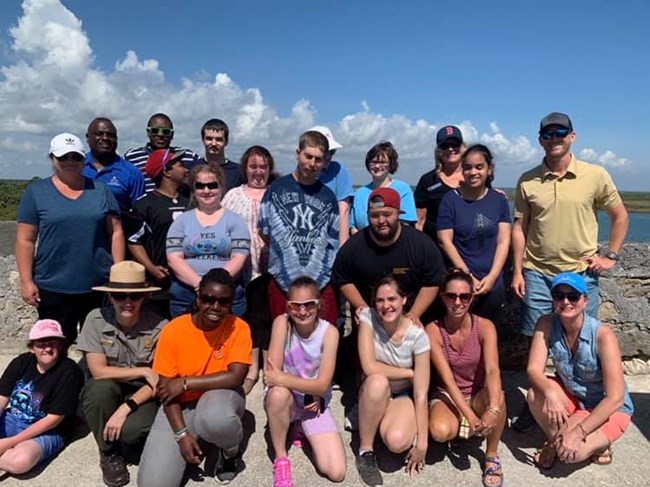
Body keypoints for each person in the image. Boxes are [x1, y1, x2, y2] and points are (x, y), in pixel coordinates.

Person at [510, 112, 629, 431]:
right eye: (548, 133)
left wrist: (612, 256)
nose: (554, 138)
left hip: (580, 273)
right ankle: (538, 397)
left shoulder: (595, 175)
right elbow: (520, 228)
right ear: (540, 139)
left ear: (572, 136)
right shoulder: (528, 179)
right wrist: (518, 270)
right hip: (538, 272)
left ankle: (591, 406)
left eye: (561, 132)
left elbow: (619, 215)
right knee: (537, 341)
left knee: (584, 343)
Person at [137, 269, 252, 487]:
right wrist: (182, 435)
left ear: (231, 303)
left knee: (216, 419)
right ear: (198, 298)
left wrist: (185, 382)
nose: (215, 307)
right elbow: (166, 391)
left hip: (220, 395)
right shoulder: (173, 330)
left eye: (223, 301)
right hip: (181, 404)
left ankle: (230, 452)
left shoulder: (239, 327)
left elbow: (236, 376)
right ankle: (193, 437)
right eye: (208, 299)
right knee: (153, 484)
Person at [16, 133, 124, 343]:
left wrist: (118, 272)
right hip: (53, 286)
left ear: (84, 159)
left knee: (99, 345)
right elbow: (25, 240)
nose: (70, 162)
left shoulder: (101, 191)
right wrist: (26, 281)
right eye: (63, 157)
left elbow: (116, 232)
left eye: (76, 157)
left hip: (97, 285)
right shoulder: (36, 193)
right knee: (54, 346)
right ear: (52, 159)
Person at [526, 272, 633, 470]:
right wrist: (550, 392)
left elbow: (615, 398)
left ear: (585, 300)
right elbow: (533, 369)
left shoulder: (603, 336)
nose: (565, 301)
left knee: (572, 454)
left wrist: (578, 432)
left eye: (573, 297)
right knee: (535, 394)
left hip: (608, 408)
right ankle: (557, 440)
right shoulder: (546, 324)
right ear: (553, 299)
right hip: (574, 398)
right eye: (559, 295)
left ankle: (589, 442)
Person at [77, 261, 167, 487]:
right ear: (111, 297)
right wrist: (143, 370)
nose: (127, 302)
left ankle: (124, 438)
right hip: (109, 386)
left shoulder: (161, 326)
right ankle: (108, 453)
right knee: (98, 391)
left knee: (132, 432)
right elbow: (98, 371)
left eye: (134, 296)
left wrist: (126, 409)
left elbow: (157, 380)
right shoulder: (95, 320)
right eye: (120, 296)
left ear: (144, 297)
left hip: (143, 393)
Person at [427, 269, 506, 487]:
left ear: (472, 298)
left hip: (478, 391)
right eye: (451, 296)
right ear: (443, 297)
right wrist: (470, 415)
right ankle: (463, 429)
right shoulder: (433, 330)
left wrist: (493, 409)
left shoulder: (485, 327)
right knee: (440, 432)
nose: (458, 302)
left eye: (464, 296)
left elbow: (492, 370)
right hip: (448, 394)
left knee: (498, 397)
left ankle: (491, 455)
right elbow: (447, 380)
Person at [263, 276, 346, 486]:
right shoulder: (281, 323)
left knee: (336, 472)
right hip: (287, 399)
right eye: (295, 305)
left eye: (309, 304)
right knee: (278, 394)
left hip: (313, 403)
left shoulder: (330, 333)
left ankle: (300, 426)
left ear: (319, 305)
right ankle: (281, 458)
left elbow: (322, 384)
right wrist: (308, 386)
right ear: (288, 306)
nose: (302, 311)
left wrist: (285, 379)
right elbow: (271, 378)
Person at [332, 187, 444, 328]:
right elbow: (342, 278)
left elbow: (433, 281)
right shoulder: (353, 247)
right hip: (371, 320)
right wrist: (362, 306)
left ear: (398, 214)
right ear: (367, 215)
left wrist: (415, 313)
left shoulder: (422, 245)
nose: (381, 220)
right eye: (374, 215)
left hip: (412, 319)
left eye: (387, 214)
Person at [259, 130, 340, 325]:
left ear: (325, 161)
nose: (312, 164)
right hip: (282, 279)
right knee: (282, 339)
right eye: (308, 156)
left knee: (322, 342)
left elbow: (333, 239)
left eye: (318, 159)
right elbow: (264, 230)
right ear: (298, 153)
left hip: (319, 282)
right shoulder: (277, 189)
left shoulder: (328, 196)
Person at [355, 277, 430, 486]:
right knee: (377, 381)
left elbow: (421, 393)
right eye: (380, 300)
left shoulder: (418, 336)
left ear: (404, 300)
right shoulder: (367, 318)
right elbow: (369, 366)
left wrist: (422, 444)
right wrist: (409, 373)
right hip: (374, 387)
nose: (386, 306)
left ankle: (377, 416)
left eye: (392, 299)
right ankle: (365, 451)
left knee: (397, 442)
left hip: (401, 395)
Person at [437, 144, 511, 332]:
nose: (473, 172)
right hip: (460, 287)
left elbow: (503, 241)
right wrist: (468, 276)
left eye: (479, 167)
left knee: (490, 339)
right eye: (468, 167)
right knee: (458, 336)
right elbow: (445, 240)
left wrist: (492, 277)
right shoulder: (450, 200)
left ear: (489, 169)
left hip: (493, 284)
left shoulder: (499, 200)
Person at [222, 145, 276, 394]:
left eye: (263, 166)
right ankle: (252, 368)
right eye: (253, 166)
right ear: (245, 168)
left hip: (273, 266)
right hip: (243, 267)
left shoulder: (277, 193)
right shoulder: (233, 194)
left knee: (271, 317)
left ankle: (272, 366)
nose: (258, 171)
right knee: (251, 317)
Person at [0, 319, 84, 477]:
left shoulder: (70, 372)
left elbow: (53, 420)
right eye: (41, 344)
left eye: (53, 343)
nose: (47, 348)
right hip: (14, 418)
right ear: (32, 348)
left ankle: (11, 451)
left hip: (48, 430)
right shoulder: (21, 362)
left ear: (61, 345)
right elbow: (2, 399)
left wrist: (9, 442)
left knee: (19, 462)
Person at [166, 164, 251, 318]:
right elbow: (173, 258)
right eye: (200, 186)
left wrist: (213, 285)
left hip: (225, 289)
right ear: (194, 189)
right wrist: (199, 284)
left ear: (221, 187)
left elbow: (239, 257)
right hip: (187, 290)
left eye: (212, 186)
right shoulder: (181, 221)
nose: (206, 191)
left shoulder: (236, 221)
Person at [126, 148, 191, 319]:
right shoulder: (145, 205)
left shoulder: (191, 202)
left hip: (188, 285)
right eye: (180, 165)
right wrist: (151, 268)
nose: (186, 170)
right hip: (158, 287)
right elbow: (134, 241)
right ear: (167, 171)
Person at [414, 125, 467, 243]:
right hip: (435, 249)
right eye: (445, 146)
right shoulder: (428, 181)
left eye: (455, 144)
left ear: (463, 147)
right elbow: (419, 221)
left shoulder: (474, 177)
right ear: (438, 151)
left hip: (469, 249)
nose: (450, 149)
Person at [124, 113, 201, 193]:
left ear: (172, 135)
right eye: (155, 130)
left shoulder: (187, 156)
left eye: (166, 131)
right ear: (148, 132)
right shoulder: (132, 157)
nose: (160, 135)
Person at [351, 141, 417, 232]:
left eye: (382, 162)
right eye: (374, 162)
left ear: (391, 164)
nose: (377, 166)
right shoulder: (359, 193)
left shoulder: (403, 189)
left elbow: (406, 223)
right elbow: (352, 226)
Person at [83, 117, 145, 213]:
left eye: (110, 135)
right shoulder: (76, 168)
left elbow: (138, 215)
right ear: (88, 138)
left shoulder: (132, 173)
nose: (105, 138)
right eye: (99, 134)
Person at [310, 125, 355, 246]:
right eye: (325, 151)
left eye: (332, 151)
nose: (329, 156)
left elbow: (344, 211)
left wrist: (342, 251)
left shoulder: (338, 170)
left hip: (331, 245)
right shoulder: (299, 175)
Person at [197, 118, 244, 194]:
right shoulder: (193, 168)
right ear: (203, 140)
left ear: (226, 141)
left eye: (219, 139)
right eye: (209, 139)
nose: (214, 143)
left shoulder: (238, 171)